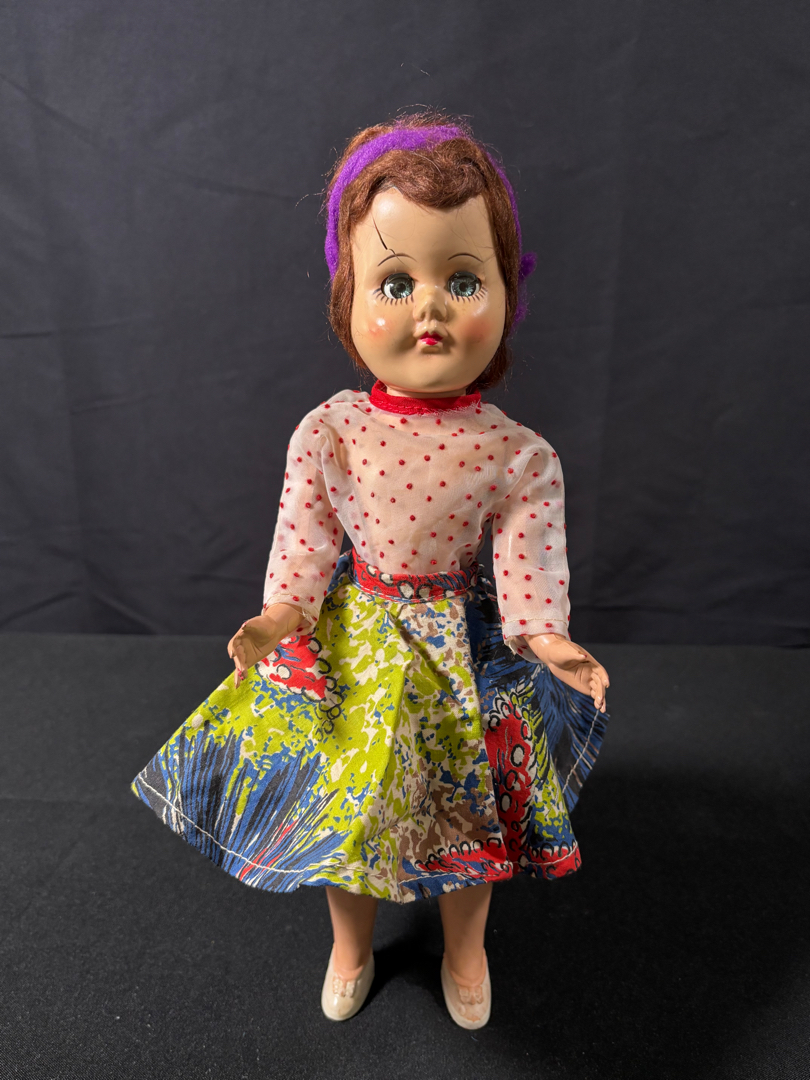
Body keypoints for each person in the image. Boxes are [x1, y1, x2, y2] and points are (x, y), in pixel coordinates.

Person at [131, 111, 610, 1030]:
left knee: (469, 811)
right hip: (359, 642)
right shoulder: (331, 431)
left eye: (463, 280)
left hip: (462, 651)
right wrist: (281, 614)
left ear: (507, 294)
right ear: (347, 298)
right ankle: (351, 945)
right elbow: (304, 541)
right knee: (346, 813)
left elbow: (527, 565)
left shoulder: (515, 452)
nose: (431, 308)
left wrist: (546, 638)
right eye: (395, 282)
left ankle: (465, 946)